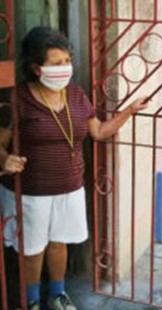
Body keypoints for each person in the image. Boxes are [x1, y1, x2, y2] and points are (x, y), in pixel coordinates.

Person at [0, 26, 148, 310]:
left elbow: (99, 132)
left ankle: (57, 295)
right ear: (36, 67)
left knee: (59, 244)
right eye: (56, 63)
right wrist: (5, 159)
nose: (64, 68)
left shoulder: (77, 95)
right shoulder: (18, 98)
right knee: (32, 250)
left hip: (70, 187)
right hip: (31, 192)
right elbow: (0, 143)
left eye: (67, 61)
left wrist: (130, 110)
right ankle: (31, 302)